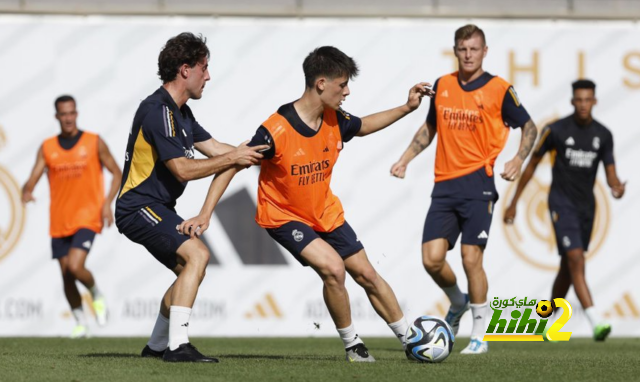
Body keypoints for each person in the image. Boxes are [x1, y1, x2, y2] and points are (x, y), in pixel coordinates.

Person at [247, 46, 432, 362]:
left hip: (324, 212)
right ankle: (354, 346)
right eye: (342, 84)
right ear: (321, 83)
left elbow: (363, 125)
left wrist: (407, 107)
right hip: (284, 215)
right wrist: (206, 212)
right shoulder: (276, 129)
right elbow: (236, 162)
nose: (347, 91)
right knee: (333, 269)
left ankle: (410, 342)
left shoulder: (333, 118)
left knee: (367, 275)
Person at [115, 32, 268, 363]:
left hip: (156, 207)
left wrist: (262, 157)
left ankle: (156, 345)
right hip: (136, 207)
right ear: (185, 69)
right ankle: (178, 346)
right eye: (204, 67)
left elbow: (219, 150)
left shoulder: (182, 113)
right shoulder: (157, 109)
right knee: (198, 255)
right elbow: (183, 169)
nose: (208, 75)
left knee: (191, 266)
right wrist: (234, 158)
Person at [390, 24, 538, 354]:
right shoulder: (443, 85)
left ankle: (479, 335)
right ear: (455, 51)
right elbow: (431, 128)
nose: (468, 54)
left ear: (485, 51)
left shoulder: (500, 89)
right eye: (462, 48)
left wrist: (518, 159)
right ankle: (457, 302)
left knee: (472, 259)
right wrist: (404, 160)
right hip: (444, 185)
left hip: (478, 185)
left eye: (474, 48)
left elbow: (529, 127)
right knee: (431, 260)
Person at [504, 79, 625, 342]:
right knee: (576, 259)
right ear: (572, 101)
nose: (583, 105)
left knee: (568, 266)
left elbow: (611, 175)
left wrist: (617, 188)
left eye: (587, 100)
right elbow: (533, 165)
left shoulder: (603, 135)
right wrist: (513, 202)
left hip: (586, 208)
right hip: (561, 203)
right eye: (578, 100)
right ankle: (595, 319)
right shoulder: (556, 130)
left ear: (594, 101)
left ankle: (547, 320)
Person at [22, 95, 122, 338]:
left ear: (76, 114)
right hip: (59, 220)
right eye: (63, 114)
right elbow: (31, 179)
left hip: (88, 217)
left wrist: (108, 203)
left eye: (71, 113)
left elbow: (117, 172)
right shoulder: (48, 148)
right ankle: (81, 323)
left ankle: (95, 293)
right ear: (57, 117)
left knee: (76, 267)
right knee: (66, 275)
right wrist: (26, 191)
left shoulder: (93, 142)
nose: (68, 118)